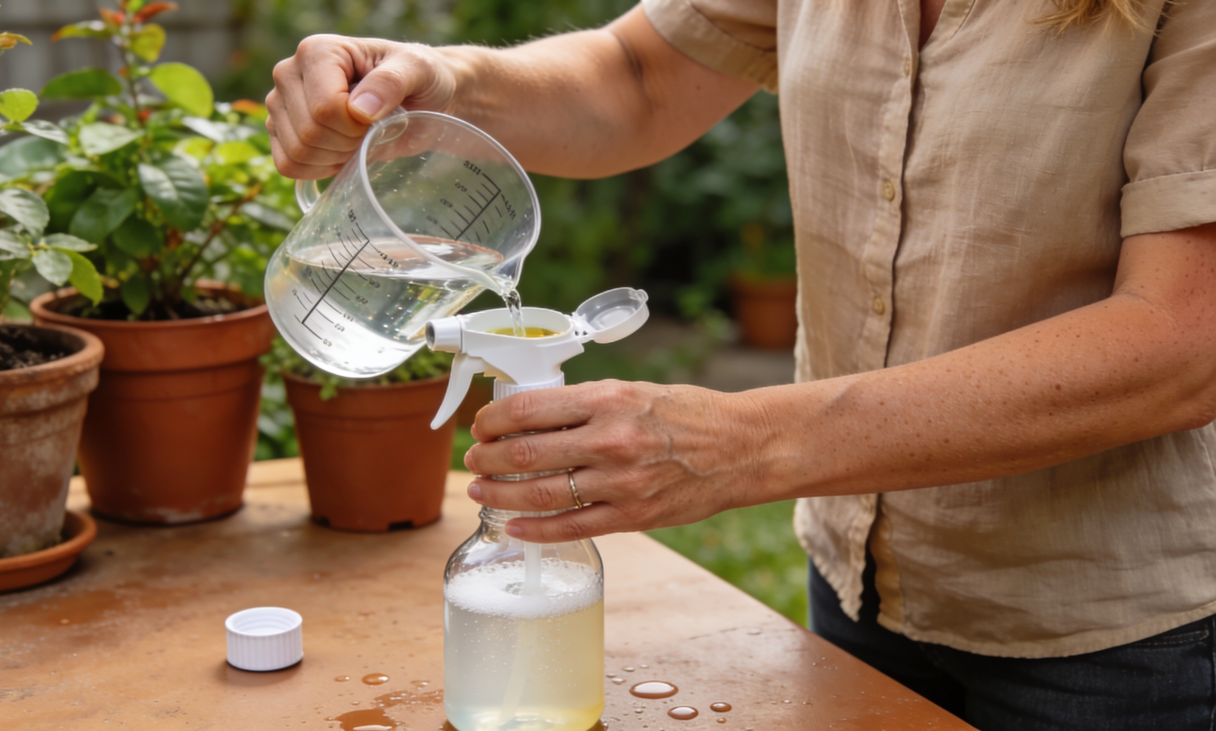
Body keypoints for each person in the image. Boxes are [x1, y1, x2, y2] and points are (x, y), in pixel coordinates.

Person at [265, 0, 1216, 727]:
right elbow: (640, 73)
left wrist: (745, 444)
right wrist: (450, 81)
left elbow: (1185, 337)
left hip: (1115, 639)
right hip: (860, 582)